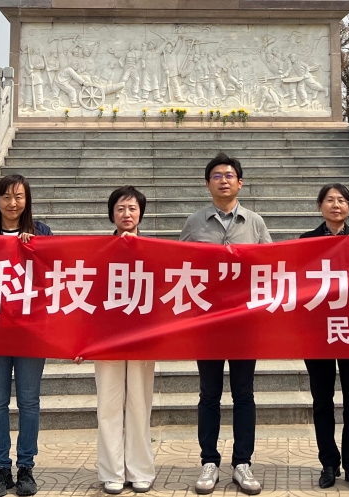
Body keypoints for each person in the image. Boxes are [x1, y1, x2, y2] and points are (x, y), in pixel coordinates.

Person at [178, 153, 271, 496]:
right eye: (216, 176)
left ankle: (242, 463)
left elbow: (272, 266)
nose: (223, 180)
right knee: (209, 394)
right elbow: (177, 265)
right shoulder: (195, 223)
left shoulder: (255, 223)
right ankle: (209, 462)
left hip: (245, 324)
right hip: (208, 323)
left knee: (244, 394)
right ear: (207, 184)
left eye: (229, 175)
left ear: (240, 183)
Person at [0, 174, 52, 497]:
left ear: (27, 200)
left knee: (29, 401)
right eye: (6, 197)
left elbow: (55, 273)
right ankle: (0, 469)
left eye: (19, 197)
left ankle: (25, 467)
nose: (12, 203)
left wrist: (36, 249)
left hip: (31, 333)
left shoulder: (42, 233)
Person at [301, 184, 349, 492]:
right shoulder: (306, 242)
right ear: (320, 206)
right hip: (318, 332)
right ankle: (328, 463)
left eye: (342, 200)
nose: (336, 205)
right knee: (322, 401)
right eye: (330, 200)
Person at [92, 186, 156, 495]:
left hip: (143, 337)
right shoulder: (99, 251)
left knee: (139, 404)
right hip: (107, 338)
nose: (126, 214)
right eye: (120, 208)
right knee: (108, 405)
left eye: (132, 208)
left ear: (140, 213)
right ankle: (112, 471)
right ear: (112, 214)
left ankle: (140, 469)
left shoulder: (155, 250)